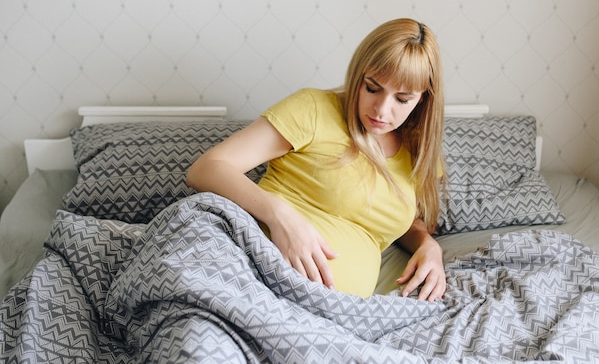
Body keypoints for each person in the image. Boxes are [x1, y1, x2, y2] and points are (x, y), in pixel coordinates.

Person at [187, 18, 446, 300]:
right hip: (250, 277)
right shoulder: (313, 109)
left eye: (402, 99)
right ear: (358, 75)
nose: (382, 110)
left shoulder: (419, 151)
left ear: (423, 98)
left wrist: (428, 245)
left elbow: (396, 217)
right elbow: (205, 169)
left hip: (332, 315)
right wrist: (279, 216)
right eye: (372, 88)